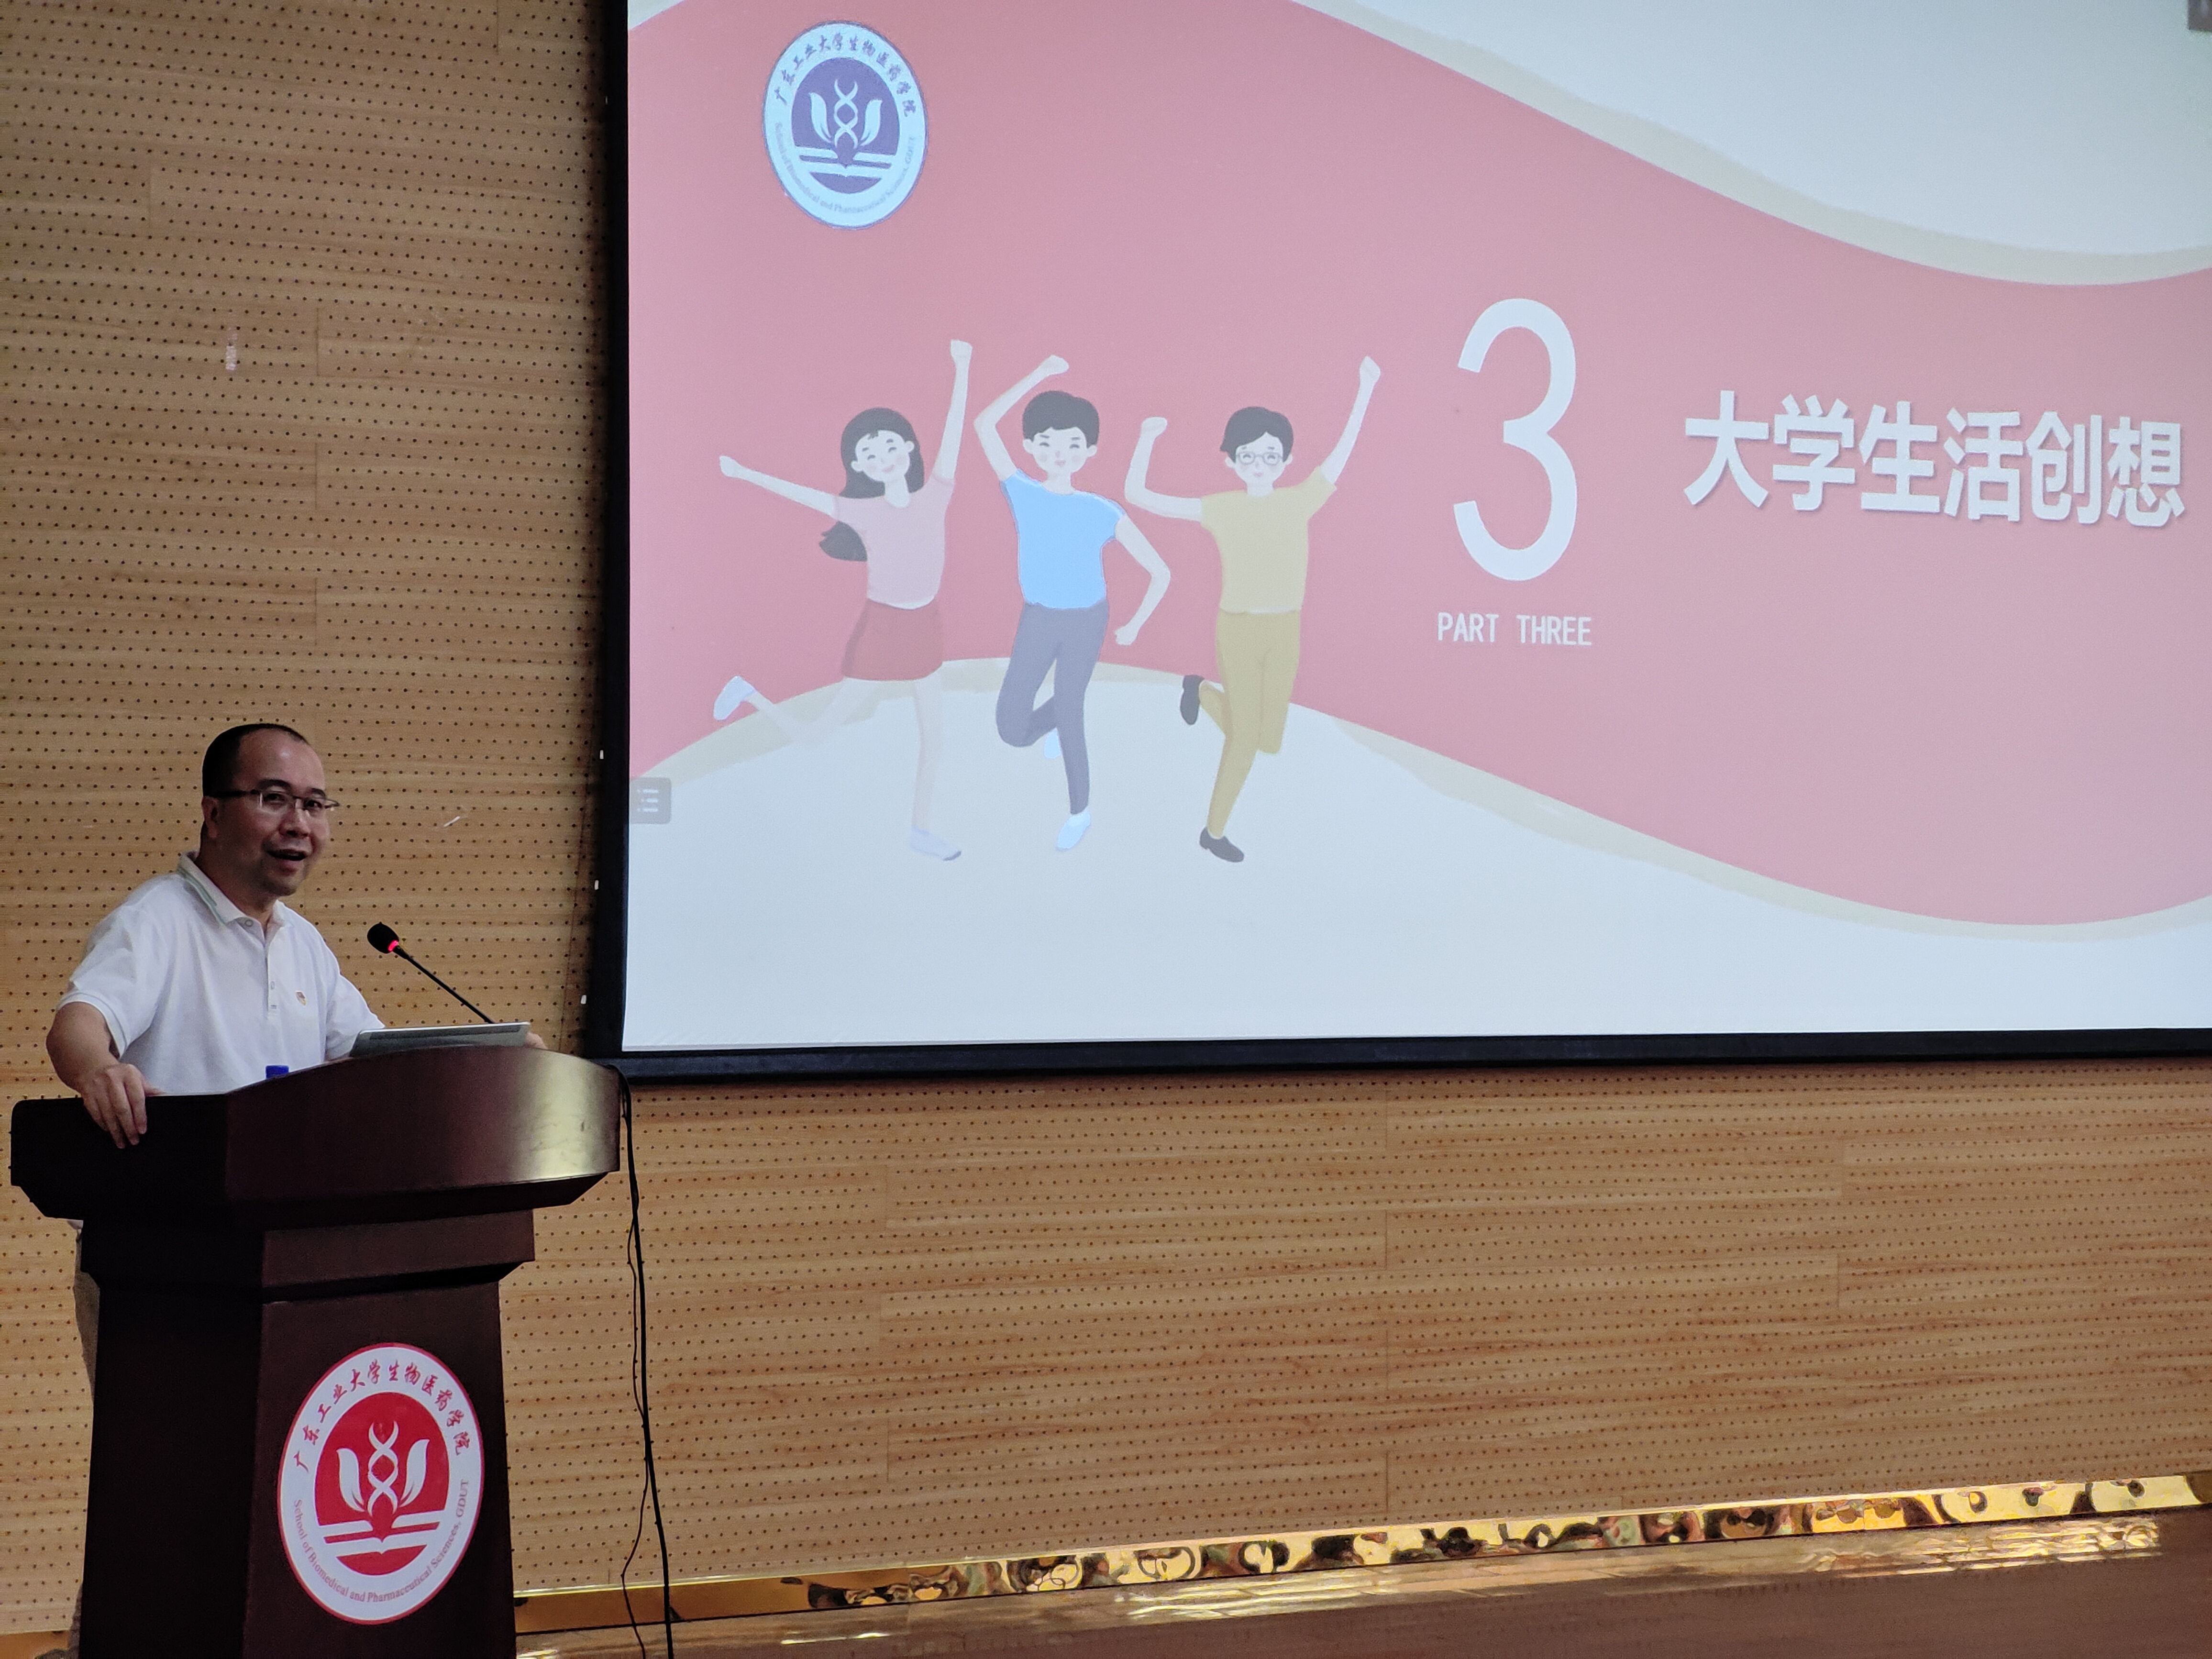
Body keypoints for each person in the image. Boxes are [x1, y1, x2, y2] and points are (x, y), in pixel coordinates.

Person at [711, 339, 973, 860]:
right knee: (816, 736)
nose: (884, 459)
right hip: (882, 629)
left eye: (891, 447)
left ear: (909, 448)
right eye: (870, 456)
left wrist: (963, 367)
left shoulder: (936, 492)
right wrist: (744, 474)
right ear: (859, 467)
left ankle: (921, 830)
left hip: (926, 625)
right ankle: (748, 693)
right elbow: (798, 494)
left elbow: (954, 431)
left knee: (936, 736)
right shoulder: (861, 510)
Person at [1124, 357, 1381, 862]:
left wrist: (1366, 389)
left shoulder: (1299, 501)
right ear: (1232, 461)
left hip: (1286, 630)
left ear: (1286, 460)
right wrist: (1146, 440)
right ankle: (1213, 832)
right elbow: (1138, 496)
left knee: (1269, 741)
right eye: (1248, 456)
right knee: (1243, 742)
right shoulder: (1221, 507)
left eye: (1269, 456)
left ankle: (1200, 691)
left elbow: (1342, 453)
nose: (1259, 464)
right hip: (1238, 630)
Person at [973, 355, 1171, 851]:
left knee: (1072, 709)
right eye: (1047, 443)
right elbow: (983, 425)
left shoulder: (1102, 511)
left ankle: (1079, 812)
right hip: (1039, 617)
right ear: (1029, 447)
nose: (1059, 453)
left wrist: (1136, 623)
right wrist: (1039, 375)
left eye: (1072, 445)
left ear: (1091, 451)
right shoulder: (1022, 492)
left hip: (1086, 620)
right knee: (1012, 729)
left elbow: (1160, 571)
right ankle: (1056, 723)